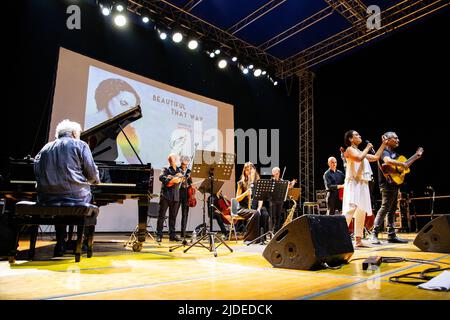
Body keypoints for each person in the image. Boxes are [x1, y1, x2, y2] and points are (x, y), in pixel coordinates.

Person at [34, 119, 100, 256]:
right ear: (75, 134)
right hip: (74, 195)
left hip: (46, 197)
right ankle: (84, 244)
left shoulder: (44, 148)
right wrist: (95, 181)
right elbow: (92, 175)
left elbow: (37, 173)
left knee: (60, 200)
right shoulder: (80, 145)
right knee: (89, 196)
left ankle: (60, 244)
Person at [370, 131, 423, 244]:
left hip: (395, 184)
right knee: (385, 208)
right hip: (386, 183)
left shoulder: (396, 155)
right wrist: (401, 165)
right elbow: (387, 162)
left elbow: (404, 166)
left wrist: (415, 157)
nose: (398, 140)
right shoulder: (384, 152)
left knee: (392, 210)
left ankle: (391, 235)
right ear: (388, 140)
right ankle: (374, 233)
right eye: (395, 138)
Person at [342, 130, 388, 247]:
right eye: (356, 135)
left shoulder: (360, 151)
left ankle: (358, 240)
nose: (359, 136)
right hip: (353, 183)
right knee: (350, 210)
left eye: (359, 134)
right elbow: (358, 158)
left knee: (361, 211)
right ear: (351, 139)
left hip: (362, 184)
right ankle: (339, 237)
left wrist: (383, 144)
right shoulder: (349, 150)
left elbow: (376, 157)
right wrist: (367, 147)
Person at [235, 162, 270, 243]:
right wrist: (245, 193)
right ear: (244, 172)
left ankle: (262, 238)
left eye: (251, 169)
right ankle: (249, 239)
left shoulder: (258, 183)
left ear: (254, 170)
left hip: (254, 208)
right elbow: (237, 199)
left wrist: (259, 208)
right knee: (255, 214)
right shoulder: (241, 183)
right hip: (242, 209)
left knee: (264, 213)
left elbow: (260, 199)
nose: (249, 171)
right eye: (247, 170)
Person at [157, 154, 183, 242]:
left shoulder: (179, 170)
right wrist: (173, 179)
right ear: (170, 160)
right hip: (166, 195)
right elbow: (161, 178)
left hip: (175, 196)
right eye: (172, 159)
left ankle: (172, 235)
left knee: (173, 217)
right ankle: (159, 235)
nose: (174, 160)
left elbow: (182, 180)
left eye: (175, 159)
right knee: (161, 216)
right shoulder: (165, 168)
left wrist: (177, 178)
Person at [269, 167, 296, 232]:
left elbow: (288, 188)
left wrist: (292, 184)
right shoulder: (271, 181)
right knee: (273, 216)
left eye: (277, 173)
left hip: (280, 201)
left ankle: (277, 231)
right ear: (273, 174)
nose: (276, 175)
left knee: (278, 216)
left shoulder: (282, 181)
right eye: (275, 173)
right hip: (273, 201)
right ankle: (271, 230)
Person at [178, 155, 193, 239]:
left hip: (187, 194)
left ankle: (183, 233)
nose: (186, 163)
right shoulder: (178, 169)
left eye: (187, 161)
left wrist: (191, 180)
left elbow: (190, 182)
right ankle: (172, 233)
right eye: (184, 161)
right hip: (179, 193)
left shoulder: (189, 171)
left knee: (185, 214)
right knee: (175, 213)